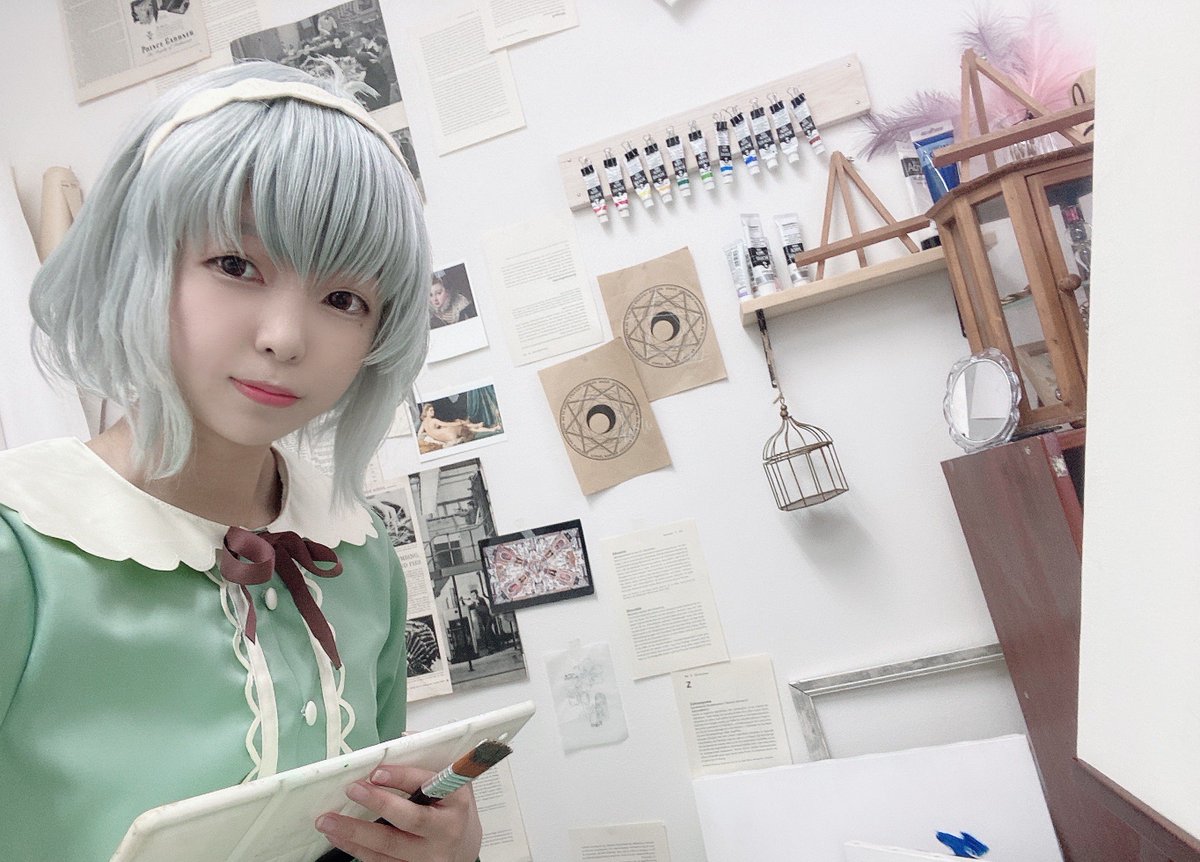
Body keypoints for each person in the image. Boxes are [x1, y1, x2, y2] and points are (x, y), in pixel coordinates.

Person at [0, 60, 483, 861]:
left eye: (344, 299)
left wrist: (439, 850)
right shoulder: (25, 547)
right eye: (235, 265)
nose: (285, 338)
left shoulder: (359, 554)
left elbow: (364, 826)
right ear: (139, 260)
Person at [417, 403, 498, 448]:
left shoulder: (423, 423)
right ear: (426, 412)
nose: (433, 412)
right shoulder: (434, 420)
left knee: (465, 426)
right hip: (450, 434)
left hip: (446, 437)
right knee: (461, 423)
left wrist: (430, 435)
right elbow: (447, 424)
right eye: (431, 410)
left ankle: (478, 426)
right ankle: (483, 427)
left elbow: (419, 434)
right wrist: (459, 423)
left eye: (433, 410)